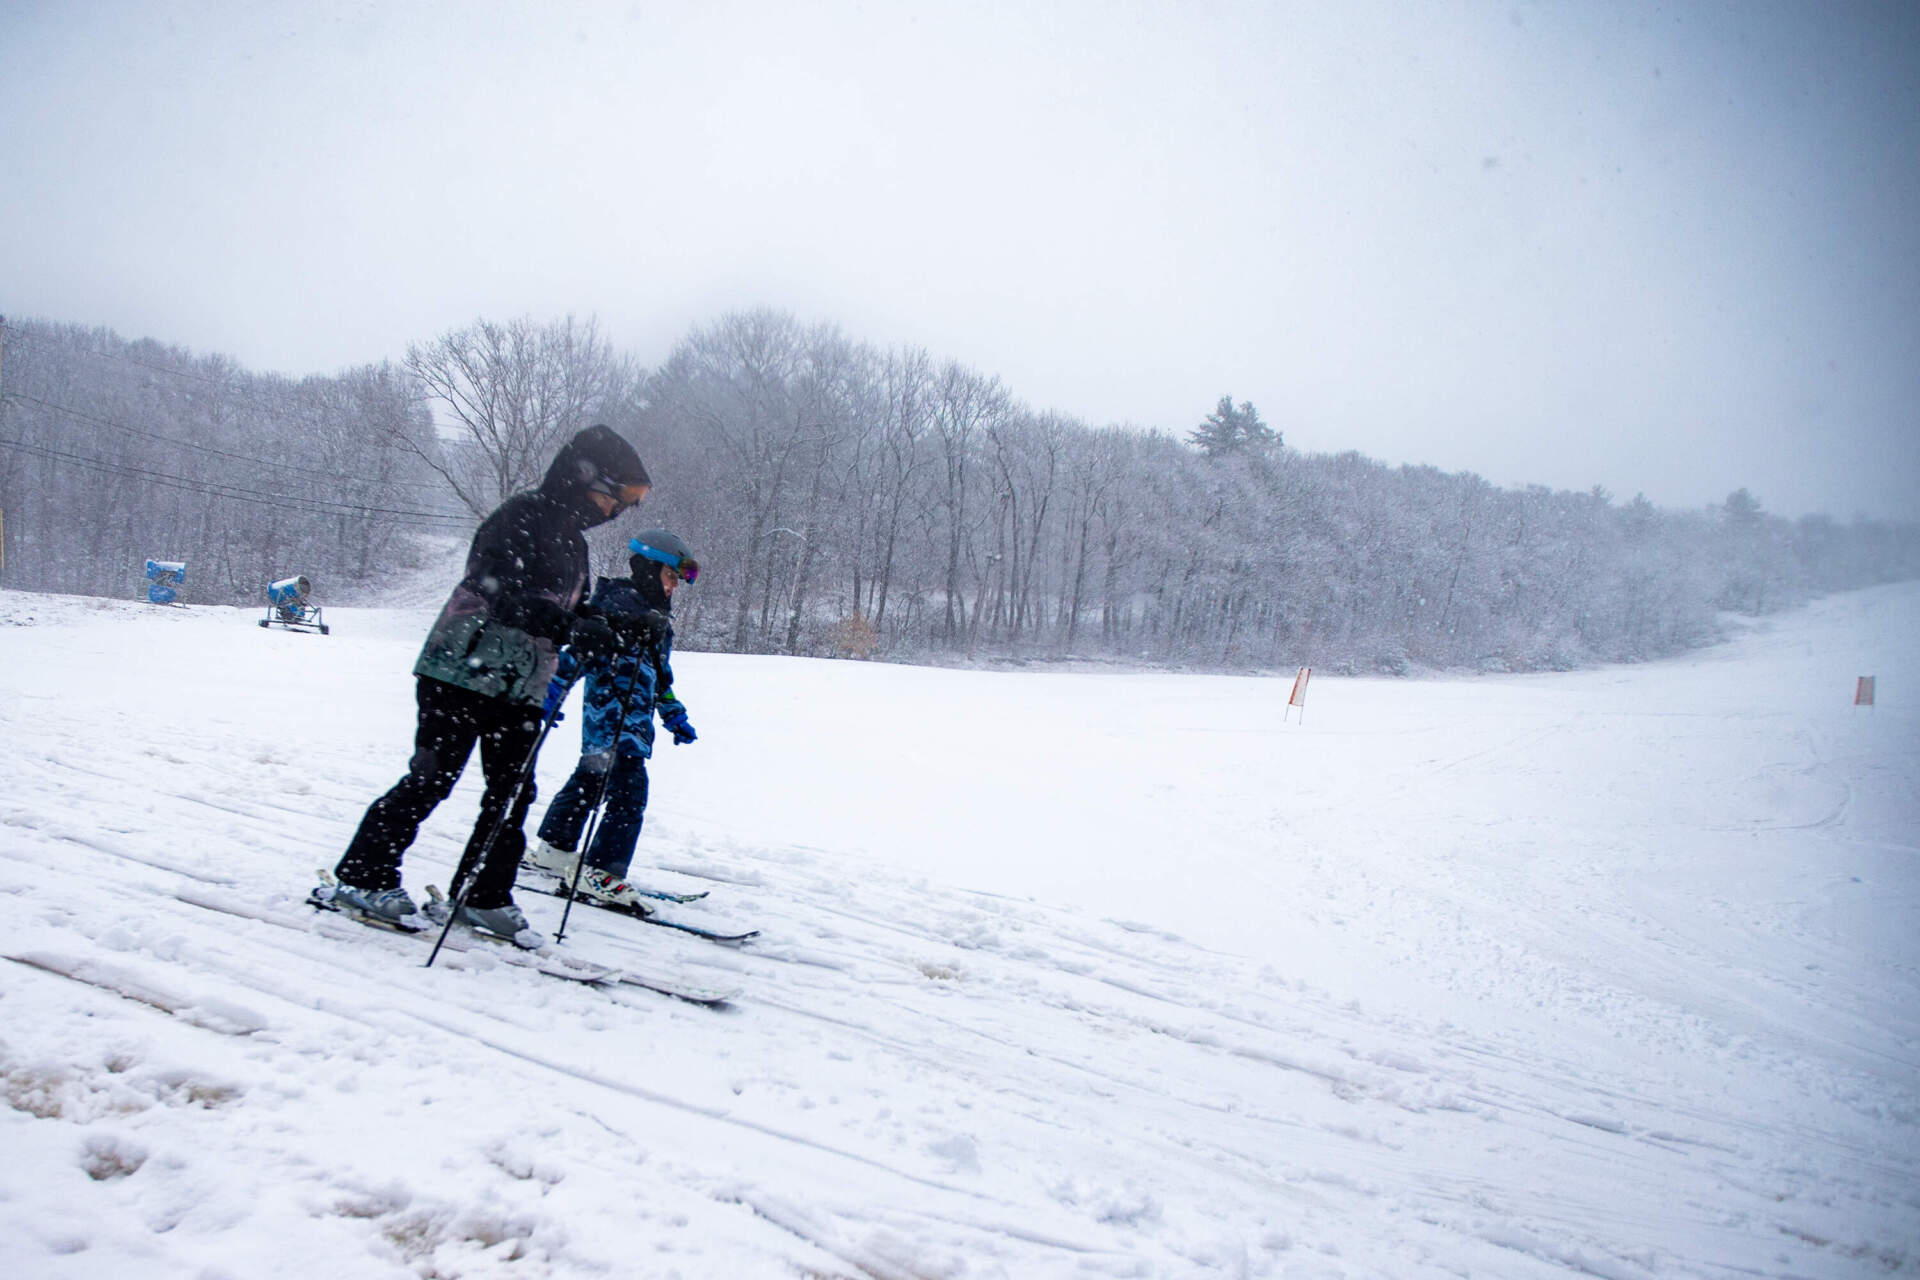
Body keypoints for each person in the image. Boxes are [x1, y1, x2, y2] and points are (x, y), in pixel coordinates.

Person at [317, 425, 652, 947]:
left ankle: (483, 894)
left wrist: (612, 624)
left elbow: (560, 608)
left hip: (518, 687)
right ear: (588, 477)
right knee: (432, 777)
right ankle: (362, 875)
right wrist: (569, 626)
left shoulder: (572, 542)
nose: (619, 512)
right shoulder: (520, 518)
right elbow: (503, 596)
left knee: (513, 793)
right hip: (459, 673)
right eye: (621, 499)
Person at [526, 530, 699, 912]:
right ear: (648, 569)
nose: (673, 588)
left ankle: (555, 849)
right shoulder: (612, 611)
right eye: (670, 578)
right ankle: (600, 873)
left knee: (588, 783)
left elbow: (660, 678)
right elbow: (575, 657)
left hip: (632, 727)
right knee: (629, 796)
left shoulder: (657, 623)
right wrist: (549, 695)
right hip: (610, 723)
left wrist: (674, 714)